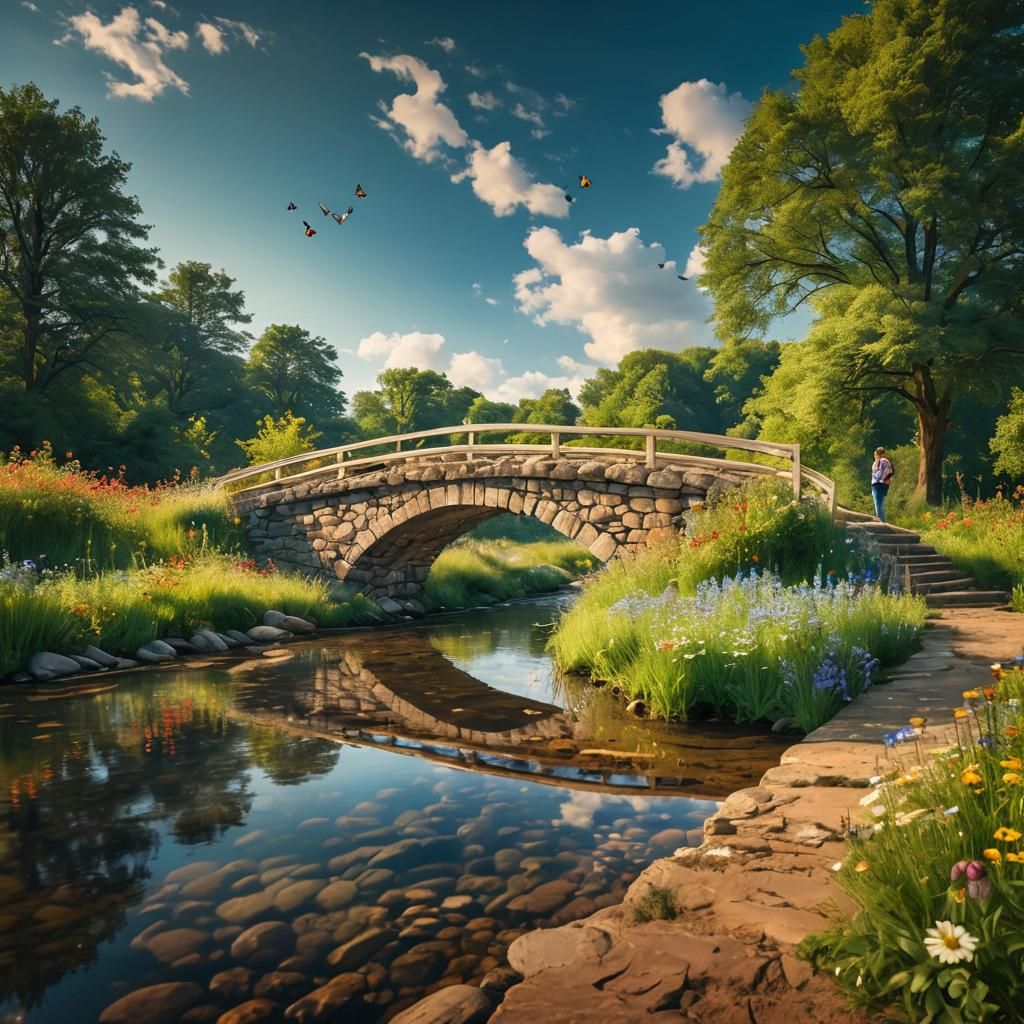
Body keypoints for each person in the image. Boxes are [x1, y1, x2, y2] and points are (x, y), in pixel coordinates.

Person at [871, 447, 894, 521]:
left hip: (879, 485)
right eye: (877, 453)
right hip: (878, 484)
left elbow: (889, 472)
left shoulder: (883, 460)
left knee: (878, 506)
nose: (877, 454)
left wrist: (882, 480)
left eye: (879, 453)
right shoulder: (877, 461)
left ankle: (881, 523)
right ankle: (881, 522)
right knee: (879, 505)